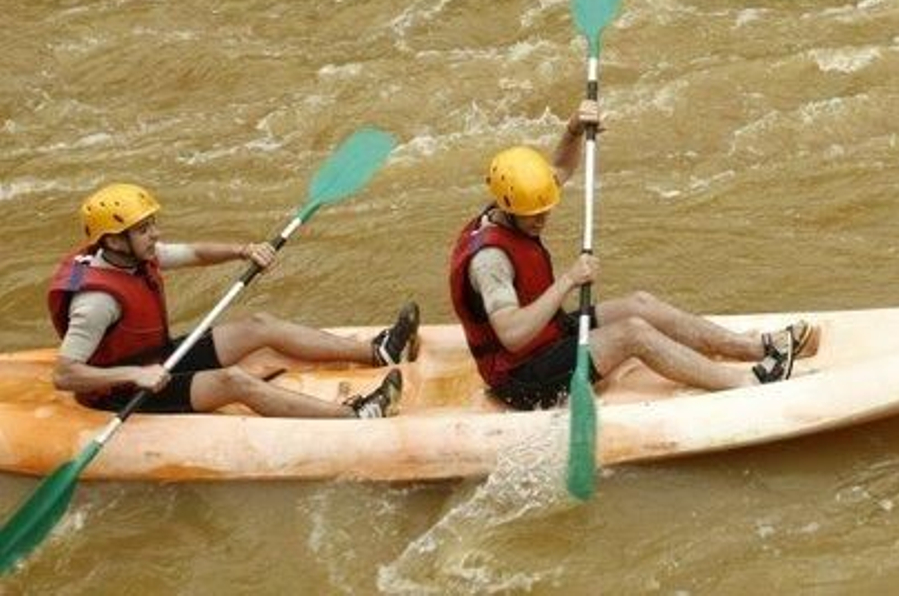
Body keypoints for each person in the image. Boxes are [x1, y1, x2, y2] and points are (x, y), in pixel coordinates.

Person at [448, 101, 819, 411]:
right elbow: (512, 335)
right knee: (633, 334)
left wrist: (573, 130)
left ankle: (751, 347)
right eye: (534, 215)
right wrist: (569, 280)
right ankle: (744, 384)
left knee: (641, 304)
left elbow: (560, 169)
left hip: (547, 340)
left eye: (545, 209)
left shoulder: (523, 201)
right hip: (521, 377)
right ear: (508, 207)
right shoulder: (489, 261)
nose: (542, 219)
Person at [51, 183, 417, 418]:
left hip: (158, 360)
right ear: (114, 240)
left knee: (259, 325)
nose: (155, 234)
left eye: (153, 224)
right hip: (121, 391)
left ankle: (376, 351)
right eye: (144, 229)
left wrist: (243, 251)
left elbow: (193, 253)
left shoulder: (134, 255)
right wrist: (136, 375)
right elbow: (64, 374)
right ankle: (355, 414)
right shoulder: (96, 301)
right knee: (234, 382)